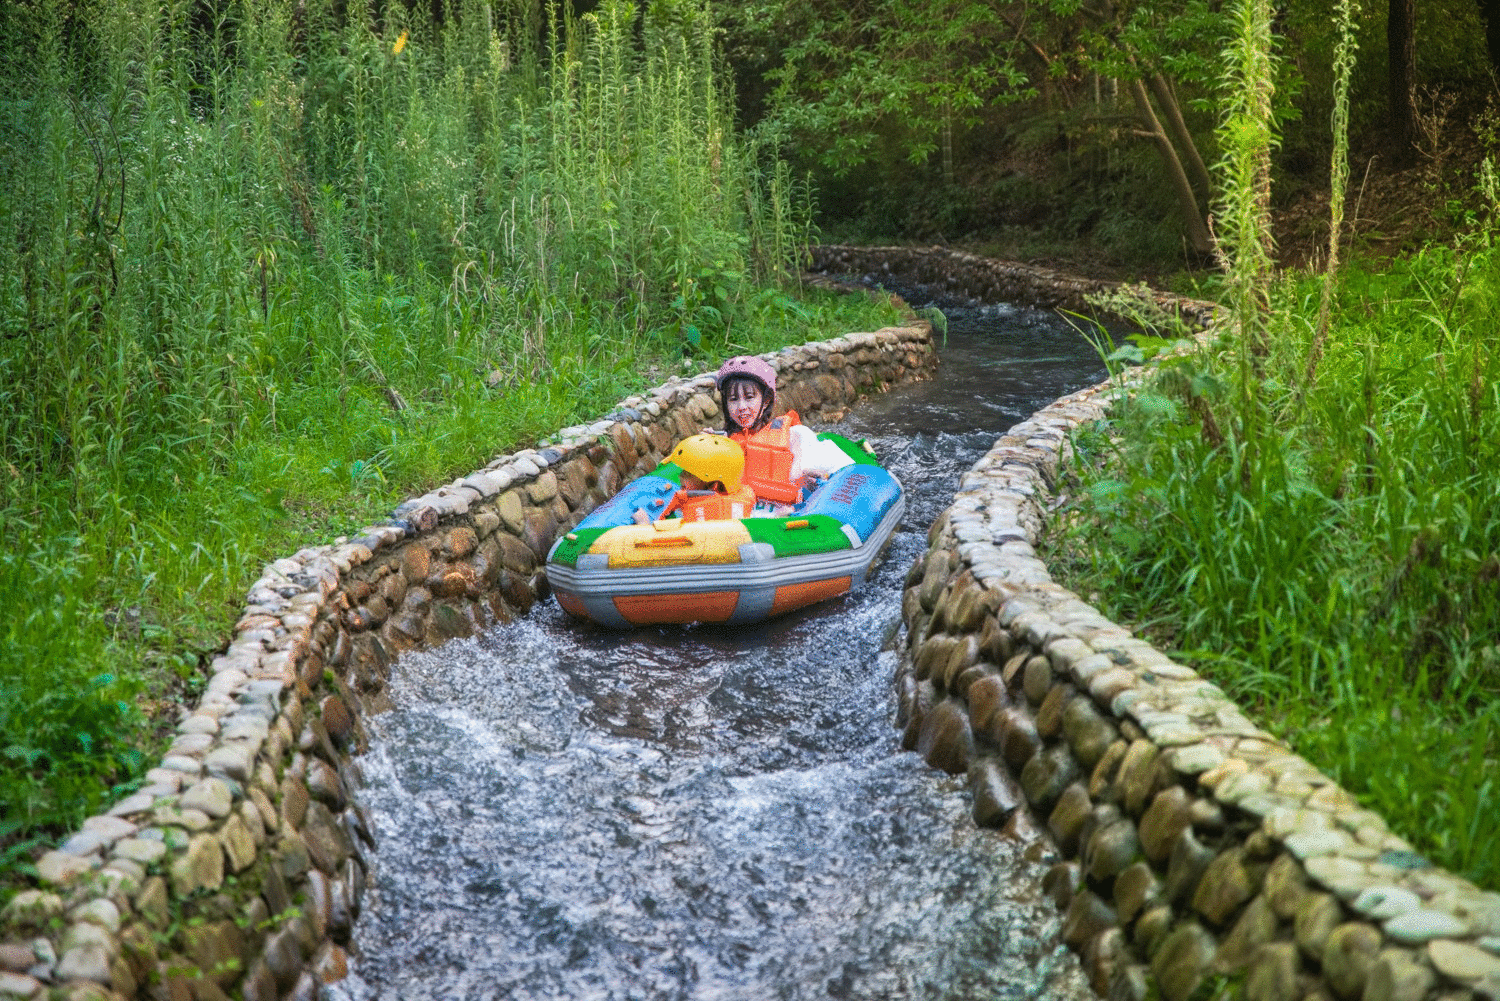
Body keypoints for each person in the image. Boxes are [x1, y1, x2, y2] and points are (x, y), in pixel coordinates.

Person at [714, 356, 853, 508]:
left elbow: (802, 477)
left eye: (749, 397)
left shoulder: (794, 435)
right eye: (733, 399)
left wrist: (807, 479)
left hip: (787, 514)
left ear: (766, 400)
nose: (741, 407)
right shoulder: (721, 444)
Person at [633, 434, 756, 524]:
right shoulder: (747, 502)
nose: (680, 477)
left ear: (713, 483)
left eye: (687, 475)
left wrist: (643, 524)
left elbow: (660, 548)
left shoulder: (685, 514)